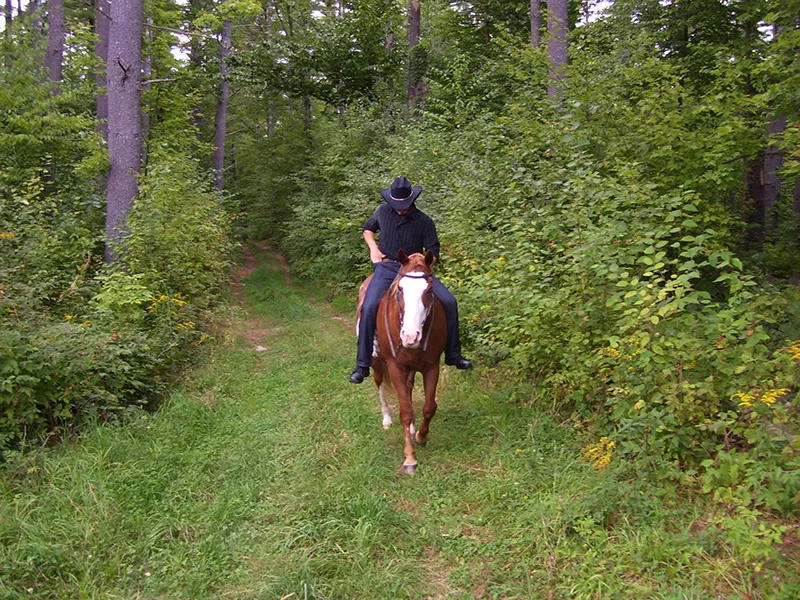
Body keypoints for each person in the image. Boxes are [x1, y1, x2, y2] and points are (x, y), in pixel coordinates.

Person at [349, 176, 473, 384]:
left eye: (404, 206)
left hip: (416, 271)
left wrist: (421, 262)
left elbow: (433, 250)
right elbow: (367, 229)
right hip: (387, 267)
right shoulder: (381, 212)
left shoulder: (424, 221)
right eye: (397, 205)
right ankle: (362, 365)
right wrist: (373, 248)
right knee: (369, 306)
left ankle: (453, 354)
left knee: (450, 302)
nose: (401, 209)